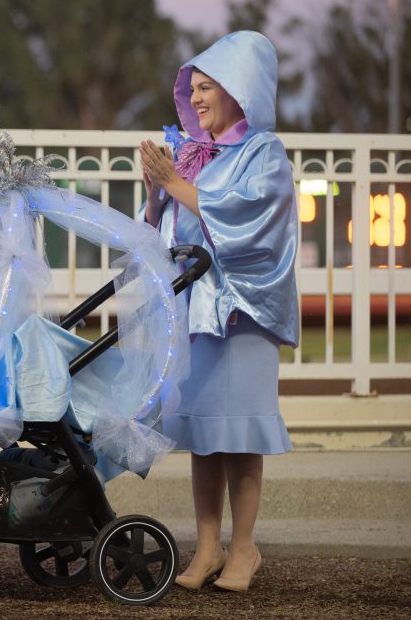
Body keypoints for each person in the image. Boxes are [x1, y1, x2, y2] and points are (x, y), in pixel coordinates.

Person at [139, 30, 299, 592]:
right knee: (202, 434)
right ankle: (207, 548)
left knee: (239, 434)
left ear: (240, 91)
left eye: (210, 87)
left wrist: (178, 184)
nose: (198, 98)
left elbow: (250, 221)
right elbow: (169, 236)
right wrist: (158, 195)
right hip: (196, 313)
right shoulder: (190, 155)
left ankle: (245, 548)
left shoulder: (263, 153)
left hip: (242, 314)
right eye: (195, 88)